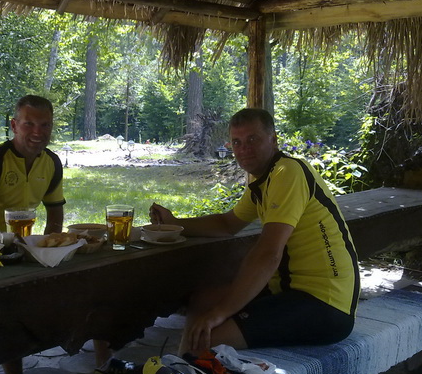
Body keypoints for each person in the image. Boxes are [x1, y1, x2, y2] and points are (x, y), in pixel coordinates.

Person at [0, 95, 138, 374]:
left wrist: (55, 246)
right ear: (14, 125)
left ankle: (105, 364)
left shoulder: (51, 162)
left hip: (26, 246)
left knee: (93, 279)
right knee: (10, 307)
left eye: (45, 125)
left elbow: (55, 215)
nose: (37, 132)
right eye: (29, 124)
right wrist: (23, 251)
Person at [150, 108, 359, 360]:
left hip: (325, 303)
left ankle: (187, 366)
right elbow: (227, 224)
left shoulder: (288, 172)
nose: (244, 149)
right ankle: (188, 366)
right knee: (203, 300)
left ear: (273, 139)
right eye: (237, 142)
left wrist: (220, 313)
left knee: (206, 340)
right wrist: (175, 223)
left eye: (252, 139)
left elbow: (268, 253)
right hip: (287, 289)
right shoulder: (263, 181)